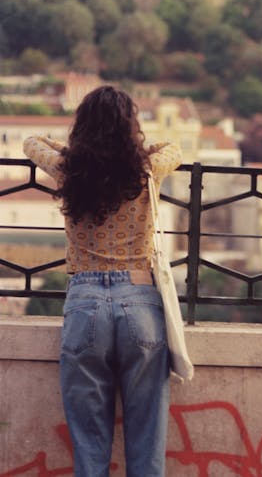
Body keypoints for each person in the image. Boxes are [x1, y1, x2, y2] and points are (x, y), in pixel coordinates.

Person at [23, 85, 182, 477]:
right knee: (147, 444)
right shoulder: (146, 170)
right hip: (140, 300)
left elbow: (31, 142)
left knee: (89, 448)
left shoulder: (69, 168)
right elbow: (174, 148)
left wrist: (79, 151)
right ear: (131, 127)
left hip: (85, 301)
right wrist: (131, 147)